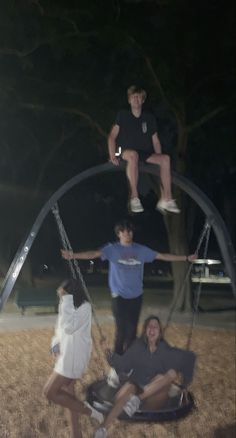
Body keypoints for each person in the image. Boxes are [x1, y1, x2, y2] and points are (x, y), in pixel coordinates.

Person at [61, 219, 197, 355]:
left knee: (132, 332)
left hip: (136, 296)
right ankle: (117, 361)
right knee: (121, 331)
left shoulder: (141, 250)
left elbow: (162, 256)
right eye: (124, 232)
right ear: (119, 234)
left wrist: (186, 258)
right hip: (119, 296)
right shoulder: (112, 249)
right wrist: (73, 255)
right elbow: (94, 254)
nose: (128, 234)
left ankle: (129, 362)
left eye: (130, 231)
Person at [94, 315, 196, 438]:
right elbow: (122, 365)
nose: (152, 329)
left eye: (155, 326)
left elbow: (190, 358)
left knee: (171, 373)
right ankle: (103, 429)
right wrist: (107, 352)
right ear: (145, 330)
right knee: (130, 386)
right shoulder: (137, 346)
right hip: (130, 396)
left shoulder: (166, 350)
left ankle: (138, 400)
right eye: (149, 326)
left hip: (152, 400)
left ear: (160, 332)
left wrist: (185, 385)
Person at [43, 279, 104, 438]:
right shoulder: (67, 307)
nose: (60, 297)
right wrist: (55, 344)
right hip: (65, 357)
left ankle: (93, 413)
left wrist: (66, 300)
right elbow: (60, 328)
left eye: (62, 294)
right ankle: (76, 434)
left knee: (49, 392)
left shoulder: (84, 308)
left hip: (74, 359)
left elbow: (69, 327)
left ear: (69, 293)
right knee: (69, 398)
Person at [108, 85, 180, 214]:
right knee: (133, 155)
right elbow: (112, 137)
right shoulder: (123, 115)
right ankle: (134, 197)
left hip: (143, 152)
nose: (136, 99)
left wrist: (159, 160)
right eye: (133, 97)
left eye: (138, 97)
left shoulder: (149, 118)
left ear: (142, 100)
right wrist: (112, 154)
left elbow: (156, 140)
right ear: (129, 100)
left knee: (165, 159)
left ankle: (167, 199)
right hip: (123, 151)